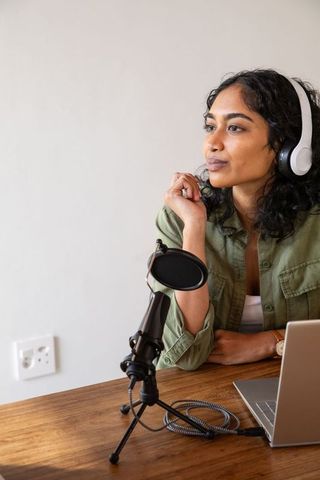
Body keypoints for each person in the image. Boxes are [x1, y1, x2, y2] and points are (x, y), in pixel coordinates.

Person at [154, 68, 320, 370]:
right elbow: (186, 355)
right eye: (210, 127)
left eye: (235, 128)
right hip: (200, 393)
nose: (212, 143)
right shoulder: (180, 215)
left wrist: (271, 342)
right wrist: (193, 228)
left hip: (297, 381)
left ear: (288, 146)